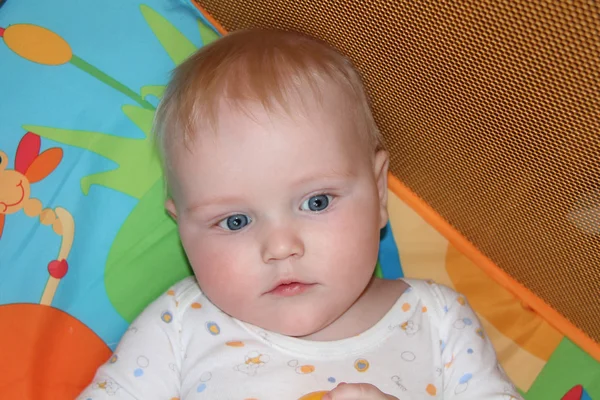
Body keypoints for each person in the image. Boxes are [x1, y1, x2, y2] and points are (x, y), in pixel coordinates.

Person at [78, 29, 522, 400]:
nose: (281, 247)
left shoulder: (436, 318)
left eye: (317, 202)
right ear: (183, 229)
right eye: (235, 221)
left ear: (379, 191)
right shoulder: (181, 321)